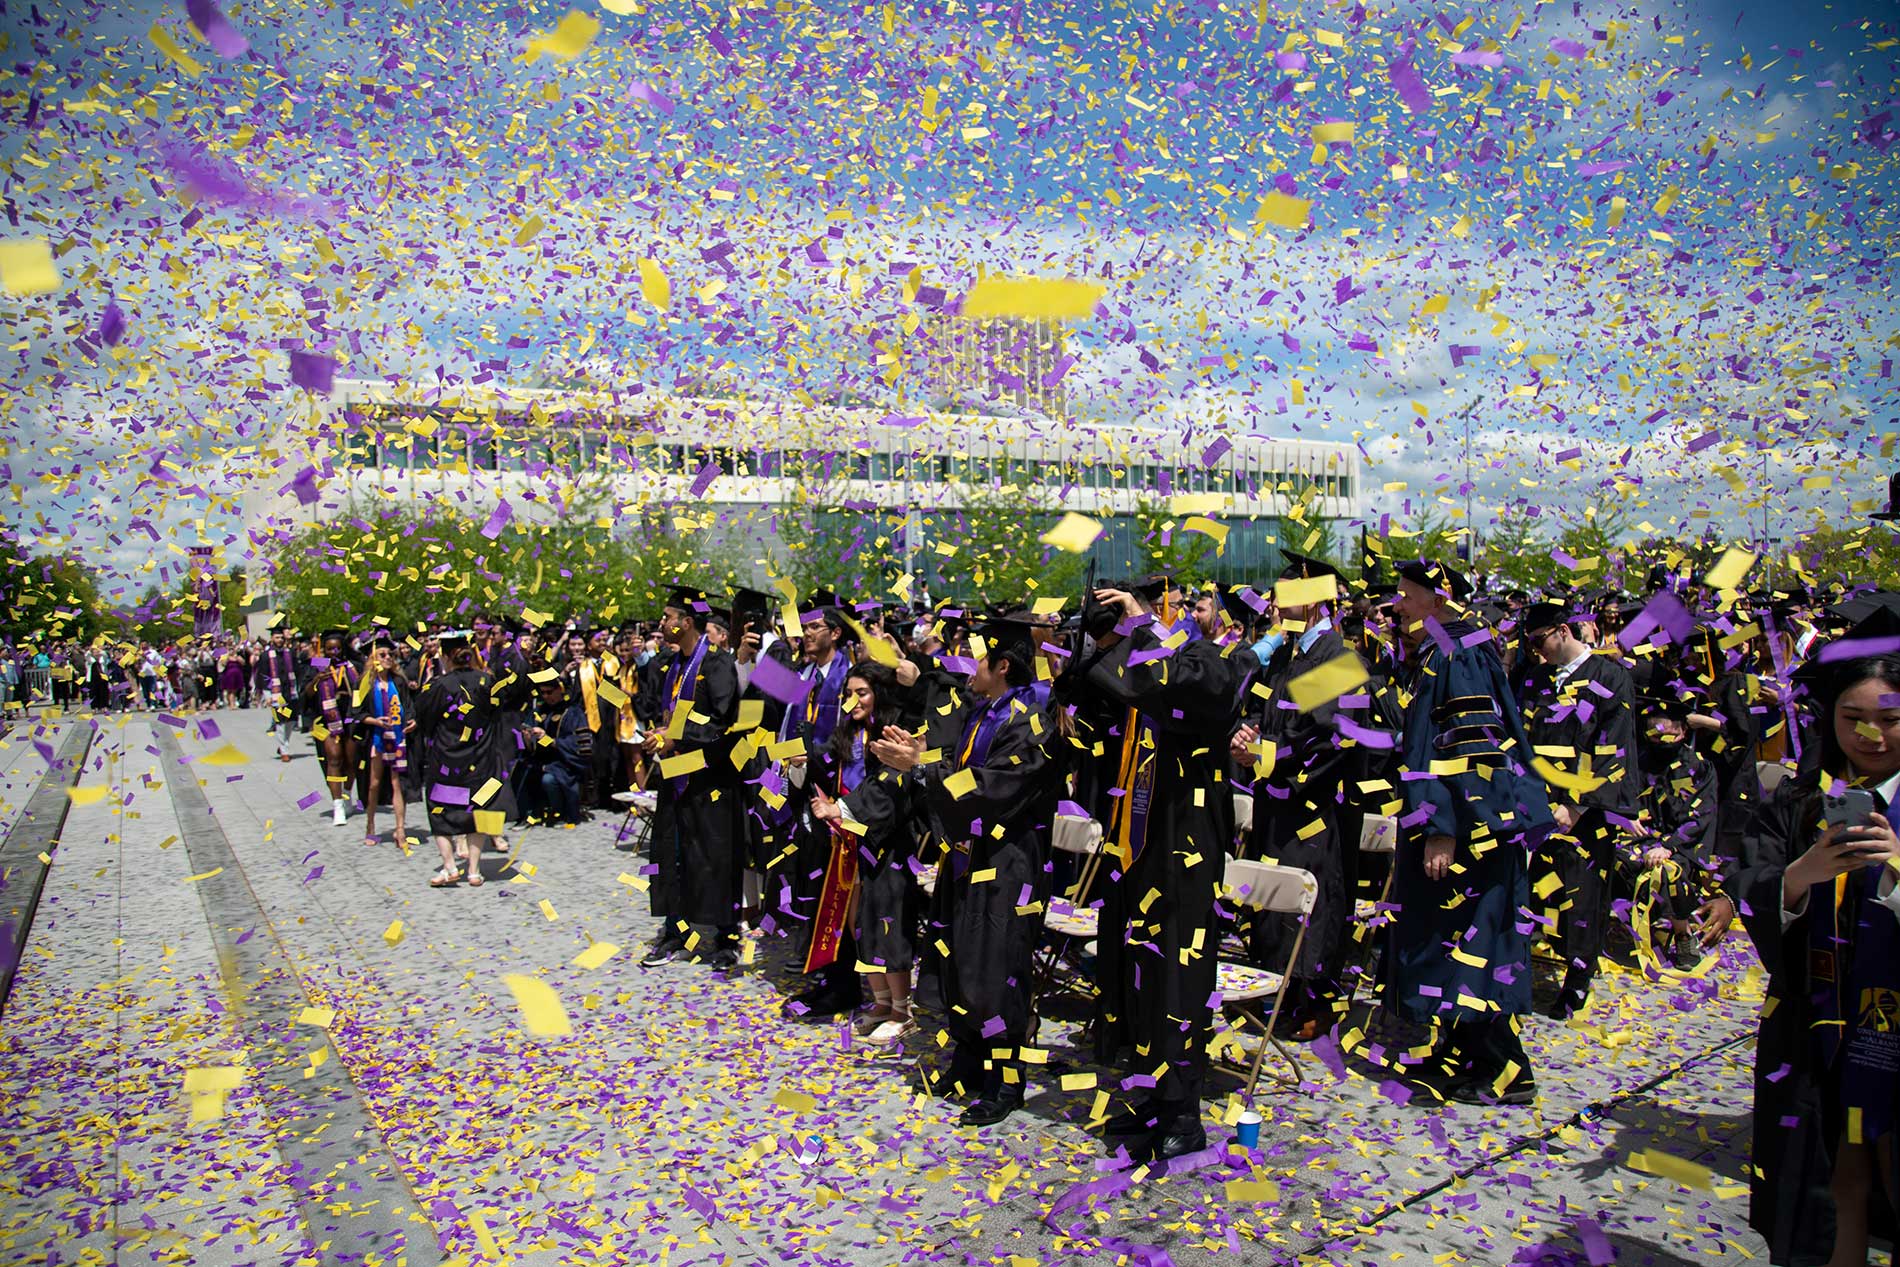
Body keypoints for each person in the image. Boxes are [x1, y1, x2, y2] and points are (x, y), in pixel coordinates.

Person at [1068, 577, 1255, 1158]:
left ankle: (1184, 1112)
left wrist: (1142, 622)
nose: (1196, 608)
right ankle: (1151, 1093)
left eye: (1202, 602)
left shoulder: (1222, 661)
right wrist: (1098, 641)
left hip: (1184, 846)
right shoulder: (1148, 658)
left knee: (1176, 974)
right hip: (1135, 848)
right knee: (1139, 975)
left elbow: (1189, 686)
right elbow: (1089, 696)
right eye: (1191, 601)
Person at [1733, 628, 1900, 1267]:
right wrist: (1802, 875)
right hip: (1815, 1022)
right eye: (1852, 717)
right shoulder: (1802, 802)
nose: (1870, 735)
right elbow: (1755, 886)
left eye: (1889, 719)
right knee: (1827, 1179)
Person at [871, 616, 1060, 1127]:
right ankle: (969, 1060)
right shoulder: (985, 711)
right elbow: (955, 760)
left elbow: (993, 785)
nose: (966, 663)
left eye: (976, 656)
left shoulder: (1032, 719)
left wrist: (922, 768)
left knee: (997, 970)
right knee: (960, 964)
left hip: (1008, 864)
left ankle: (1005, 1081)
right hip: (967, 855)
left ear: (1002, 666)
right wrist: (921, 757)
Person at [1386, 559, 1553, 1106]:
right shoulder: (1445, 649)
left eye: (1408, 595)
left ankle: (1506, 1069)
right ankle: (1462, 1054)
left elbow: (1474, 747)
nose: (1398, 604)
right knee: (1451, 944)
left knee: (1470, 943)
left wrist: (1442, 829)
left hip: (1472, 833)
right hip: (1459, 827)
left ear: (1439, 601)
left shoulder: (1458, 654)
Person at [1229, 552, 1367, 1040]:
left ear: (1310, 603)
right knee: (1273, 898)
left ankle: (1314, 998)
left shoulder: (1337, 658)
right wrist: (1246, 736)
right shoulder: (1287, 656)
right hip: (1275, 800)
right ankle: (1278, 988)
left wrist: (1266, 757)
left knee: (1313, 896)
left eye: (1281, 598)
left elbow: (1327, 738)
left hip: (1313, 806)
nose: (1271, 606)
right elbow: (1264, 714)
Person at [1516, 598, 1640, 1018]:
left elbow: (1613, 745)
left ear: (1563, 631)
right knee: (1533, 888)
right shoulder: (1536, 679)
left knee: (1582, 895)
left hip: (1586, 812)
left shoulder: (1610, 676)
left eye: (1539, 641)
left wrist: (1577, 805)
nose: (1536, 650)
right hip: (1538, 805)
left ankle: (1578, 978)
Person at [808, 661, 919, 1046]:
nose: (853, 701)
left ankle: (902, 1009)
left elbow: (891, 790)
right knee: (861, 924)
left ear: (879, 695)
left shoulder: (892, 733)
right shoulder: (849, 733)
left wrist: (843, 811)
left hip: (886, 840)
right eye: (849, 693)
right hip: (850, 840)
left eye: (863, 693)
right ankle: (880, 1002)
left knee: (888, 921)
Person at [641, 587, 747, 969]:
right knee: (672, 852)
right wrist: (659, 735)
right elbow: (666, 713)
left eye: (668, 618)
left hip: (711, 778)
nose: (662, 624)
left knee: (714, 856)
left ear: (686, 623)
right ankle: (677, 932)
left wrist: (677, 737)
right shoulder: (672, 665)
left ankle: (725, 938)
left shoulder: (716, 664)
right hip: (676, 773)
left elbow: (723, 723)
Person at [411, 630, 528, 888]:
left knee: (440, 810)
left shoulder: (438, 686)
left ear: (445, 656)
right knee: (479, 810)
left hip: (447, 759)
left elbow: (425, 720)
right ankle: (474, 871)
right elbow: (500, 714)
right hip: (482, 757)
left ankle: (450, 866)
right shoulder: (487, 681)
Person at [357, 639, 415, 848]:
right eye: (382, 655)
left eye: (390, 654)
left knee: (397, 783)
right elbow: (355, 713)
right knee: (373, 784)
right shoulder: (365, 683)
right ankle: (370, 825)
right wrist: (374, 721)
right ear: (373, 659)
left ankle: (400, 830)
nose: (388, 658)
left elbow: (409, 705)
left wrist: (412, 719)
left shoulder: (398, 681)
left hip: (398, 737)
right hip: (377, 739)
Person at [304, 630, 361, 827]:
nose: (333, 652)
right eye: (329, 649)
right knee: (334, 758)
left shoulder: (353, 666)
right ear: (324, 650)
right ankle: (337, 806)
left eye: (337, 648)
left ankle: (346, 794)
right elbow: (307, 694)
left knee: (351, 761)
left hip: (351, 718)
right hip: (328, 720)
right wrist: (317, 680)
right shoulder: (318, 665)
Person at [520, 673, 589, 825]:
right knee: (521, 771)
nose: (545, 696)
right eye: (542, 693)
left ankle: (560, 812)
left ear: (560, 690)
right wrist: (527, 739)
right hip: (541, 761)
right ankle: (531, 814)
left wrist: (550, 740)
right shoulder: (539, 711)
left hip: (566, 763)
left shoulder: (573, 712)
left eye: (549, 692)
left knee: (548, 779)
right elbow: (530, 746)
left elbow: (582, 745)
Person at [258, 630, 302, 761]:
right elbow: (263, 676)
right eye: (277, 637)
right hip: (276, 693)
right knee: (281, 721)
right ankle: (284, 750)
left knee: (292, 720)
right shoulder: (266, 656)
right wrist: (267, 695)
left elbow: (298, 671)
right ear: (272, 638)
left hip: (291, 691)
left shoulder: (290, 653)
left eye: (282, 637)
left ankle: (284, 743)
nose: (280, 640)